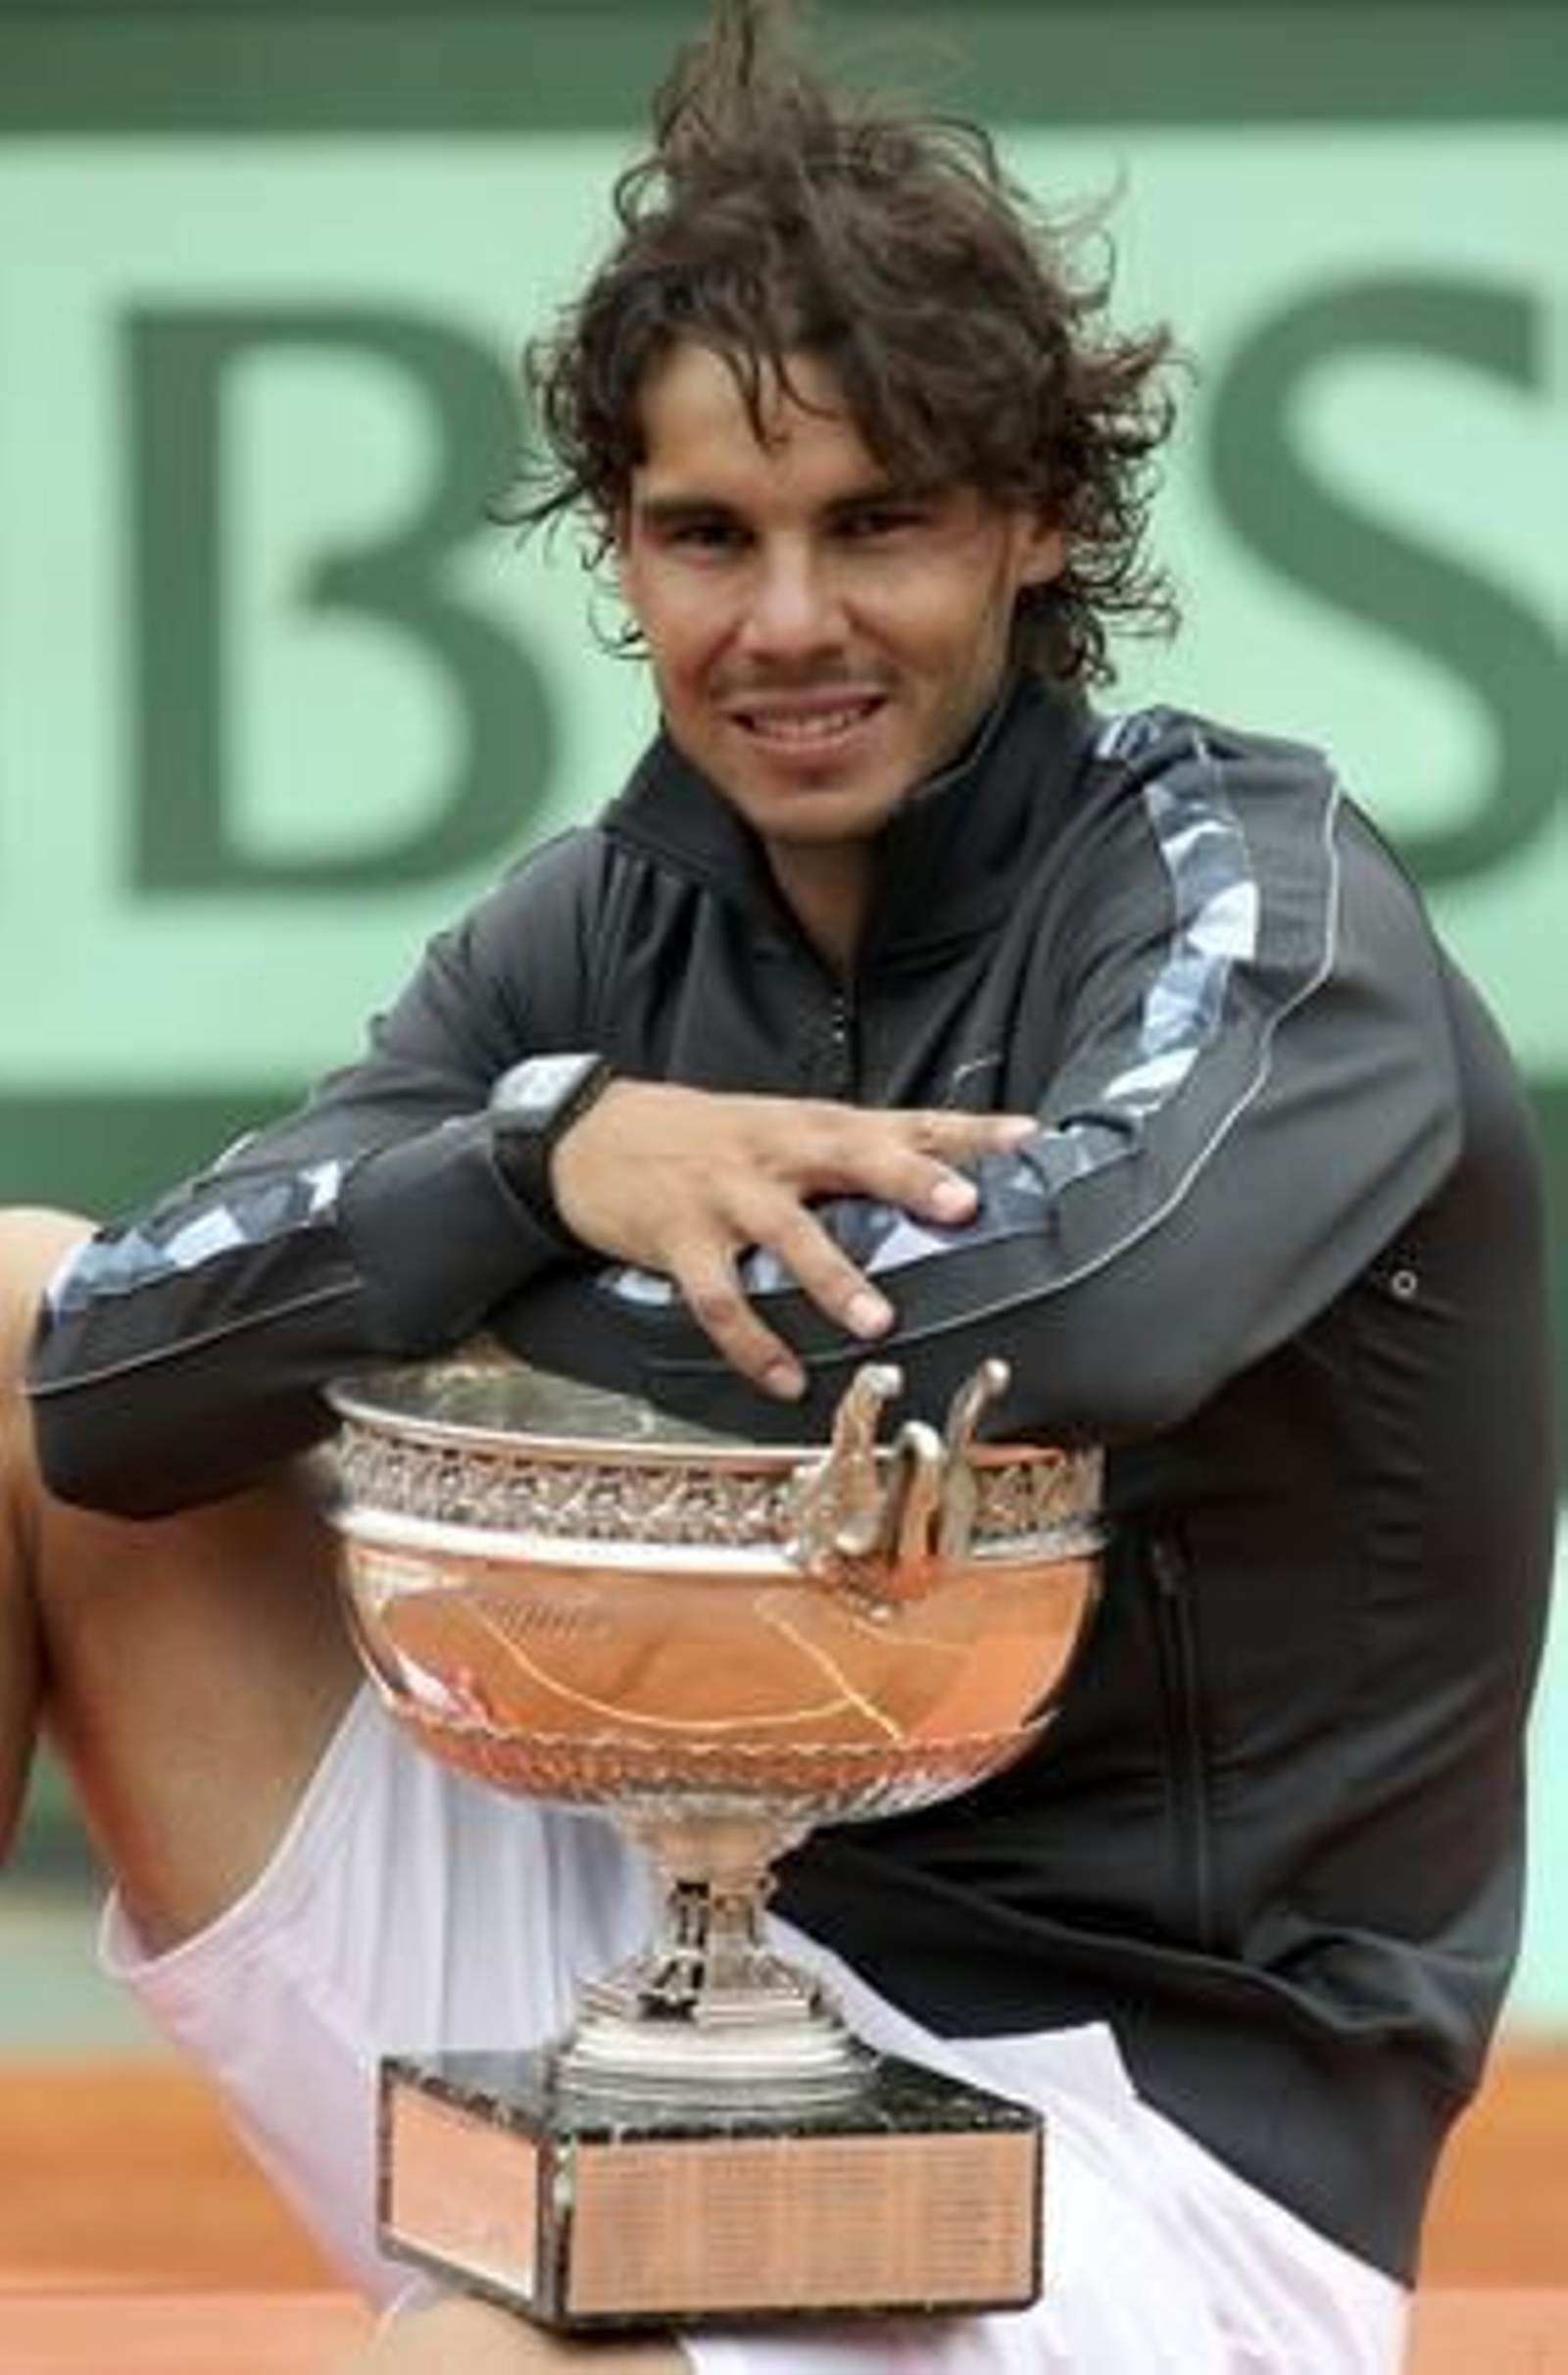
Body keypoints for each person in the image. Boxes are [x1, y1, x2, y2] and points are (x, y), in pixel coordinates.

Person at [2, 2, 1555, 2367]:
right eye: (706, 534)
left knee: (500, 2352)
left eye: (879, 523)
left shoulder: (1253, 889)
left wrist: (500, 1244)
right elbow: (116, 1380)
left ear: (1035, 522)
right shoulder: (593, 930)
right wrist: (543, 1157)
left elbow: (1090, 1325)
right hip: (624, 1962)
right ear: (617, 552)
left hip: (1131, 2139)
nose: (786, 621)